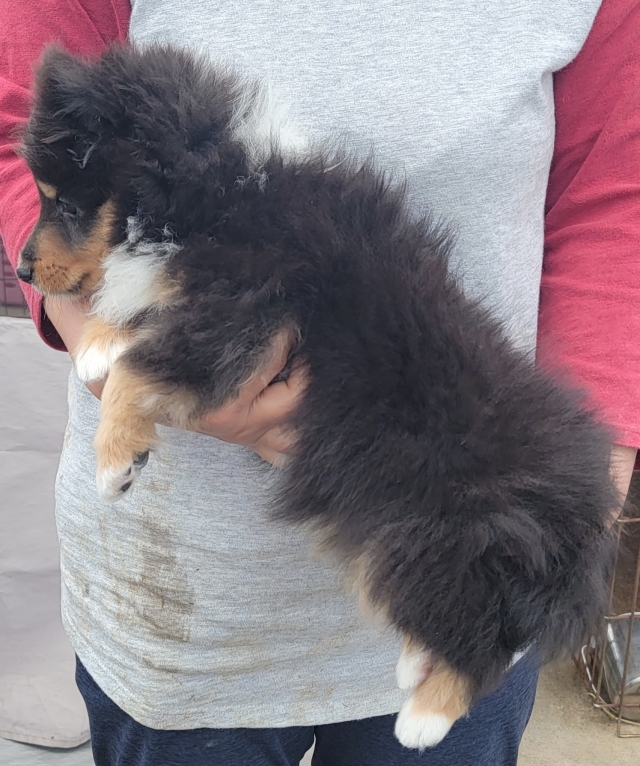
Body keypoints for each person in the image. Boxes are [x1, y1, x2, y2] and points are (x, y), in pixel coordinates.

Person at [0, 0, 638, 763]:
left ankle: (454, 651)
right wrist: (102, 340)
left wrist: (572, 508)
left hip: (465, 512)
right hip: (183, 593)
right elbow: (26, 126)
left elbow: (616, 192)